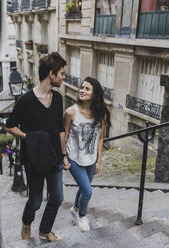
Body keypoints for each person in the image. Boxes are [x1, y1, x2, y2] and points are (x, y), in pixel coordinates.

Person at [4, 52, 68, 242]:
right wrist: (28, 137)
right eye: (62, 73)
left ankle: (45, 230)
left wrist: (64, 155)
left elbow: (60, 129)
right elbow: (9, 125)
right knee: (36, 201)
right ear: (52, 74)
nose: (64, 77)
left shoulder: (57, 98)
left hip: (55, 156)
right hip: (34, 159)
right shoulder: (25, 100)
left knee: (57, 198)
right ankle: (26, 223)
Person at [62, 77, 111, 232]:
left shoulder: (101, 113)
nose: (82, 90)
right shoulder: (70, 112)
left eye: (87, 88)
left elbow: (100, 137)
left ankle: (75, 208)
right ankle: (82, 216)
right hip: (74, 158)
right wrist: (63, 156)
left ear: (94, 93)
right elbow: (63, 134)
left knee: (84, 188)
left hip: (91, 158)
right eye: (81, 87)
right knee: (87, 191)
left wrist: (98, 161)